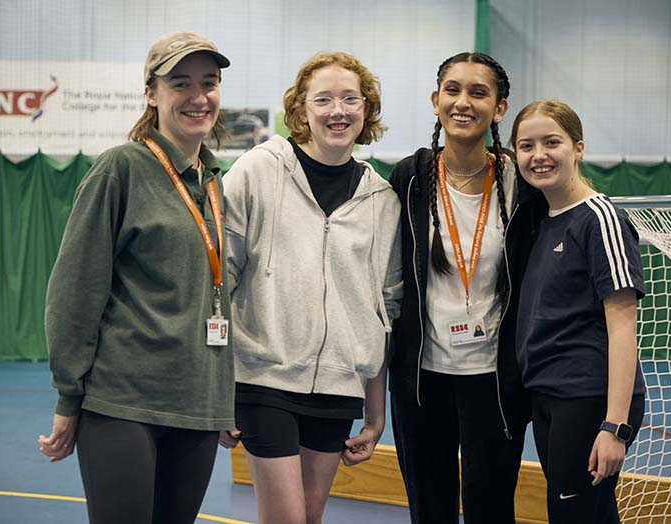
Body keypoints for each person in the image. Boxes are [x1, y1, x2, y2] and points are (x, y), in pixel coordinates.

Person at [38, 31, 235, 524]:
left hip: (197, 406)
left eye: (208, 83)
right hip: (123, 403)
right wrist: (69, 396)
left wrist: (224, 398)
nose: (198, 96)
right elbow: (74, 292)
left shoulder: (213, 182)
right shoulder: (120, 169)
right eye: (181, 84)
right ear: (152, 93)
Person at [219, 51, 402, 524]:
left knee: (310, 517)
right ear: (300, 110)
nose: (337, 111)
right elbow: (219, 282)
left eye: (350, 100)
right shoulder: (257, 170)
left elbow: (382, 310)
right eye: (323, 100)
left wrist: (375, 413)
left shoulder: (381, 199)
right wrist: (216, 391)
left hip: (340, 388)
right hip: (262, 380)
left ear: (367, 110)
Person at [388, 51, 533, 524]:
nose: (463, 102)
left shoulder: (520, 182)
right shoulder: (409, 178)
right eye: (452, 90)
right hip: (421, 381)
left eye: (478, 92)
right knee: (430, 511)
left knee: (491, 509)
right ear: (435, 100)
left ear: (501, 107)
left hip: (494, 381)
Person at [509, 100, 646, 524]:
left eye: (553, 142)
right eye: (526, 146)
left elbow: (623, 325)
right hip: (549, 395)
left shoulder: (599, 218)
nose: (539, 155)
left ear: (578, 148)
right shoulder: (542, 218)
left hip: (588, 400)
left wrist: (614, 427)